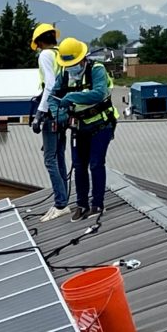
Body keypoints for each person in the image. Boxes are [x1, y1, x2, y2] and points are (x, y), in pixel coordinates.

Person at [50, 37, 117, 221]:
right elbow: (53, 96)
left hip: (100, 124)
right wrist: (59, 113)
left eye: (74, 63)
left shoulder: (96, 70)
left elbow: (98, 93)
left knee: (96, 163)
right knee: (79, 166)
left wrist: (72, 97)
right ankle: (81, 204)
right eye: (68, 63)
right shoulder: (64, 74)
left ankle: (97, 204)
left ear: (82, 58)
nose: (71, 67)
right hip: (79, 127)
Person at [30, 23, 70, 222]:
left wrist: (39, 113)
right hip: (62, 111)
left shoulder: (45, 55)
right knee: (59, 156)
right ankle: (63, 200)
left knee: (50, 159)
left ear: (40, 42)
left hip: (51, 112)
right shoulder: (60, 53)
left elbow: (50, 85)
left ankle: (61, 203)